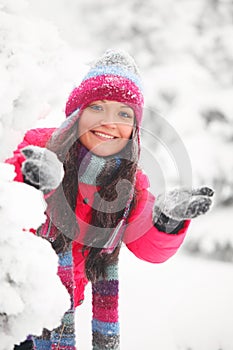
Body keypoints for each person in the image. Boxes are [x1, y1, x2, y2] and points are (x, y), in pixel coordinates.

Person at [7, 49, 214, 350]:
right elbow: (7, 194)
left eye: (123, 113)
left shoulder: (130, 184)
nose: (109, 122)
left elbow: (146, 239)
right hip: (11, 302)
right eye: (97, 107)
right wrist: (30, 177)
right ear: (77, 113)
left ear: (133, 128)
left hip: (54, 314)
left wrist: (167, 220)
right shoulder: (39, 146)